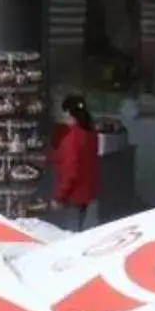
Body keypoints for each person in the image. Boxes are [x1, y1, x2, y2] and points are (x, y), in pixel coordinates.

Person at [52, 93, 100, 229]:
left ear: (68, 112)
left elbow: (70, 171)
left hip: (72, 195)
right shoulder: (90, 133)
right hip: (87, 192)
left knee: (70, 233)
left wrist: (59, 196)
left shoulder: (71, 137)